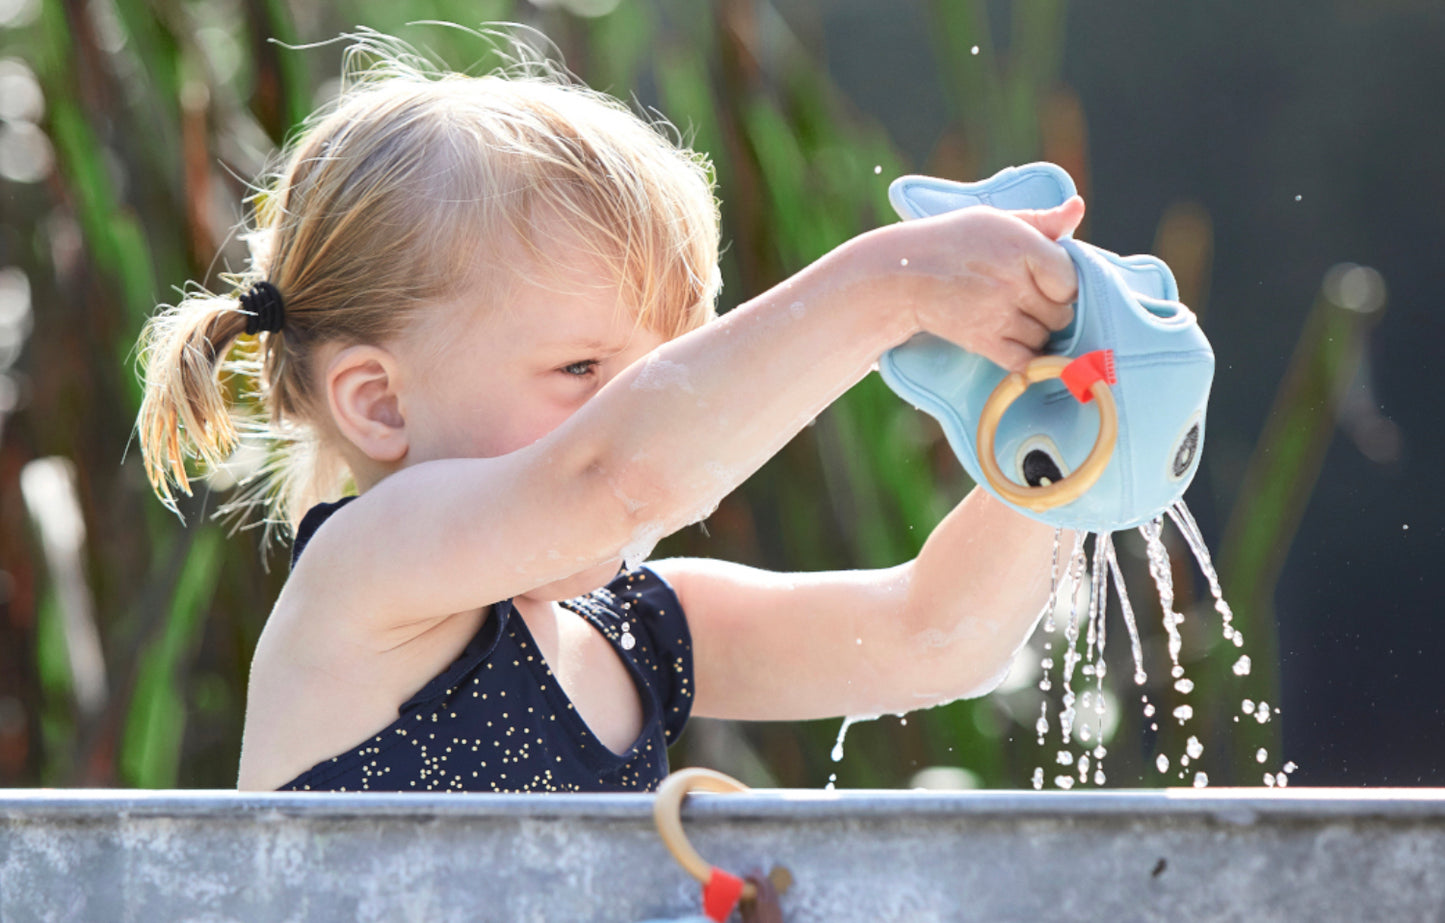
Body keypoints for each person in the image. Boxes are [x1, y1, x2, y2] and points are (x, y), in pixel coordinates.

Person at [134, 33, 1084, 793]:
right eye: (584, 367)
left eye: (665, 367)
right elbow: (614, 481)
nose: (642, 407)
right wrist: (892, 286)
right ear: (380, 403)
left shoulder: (641, 635)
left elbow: (934, 635)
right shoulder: (366, 580)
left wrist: (1070, 445)